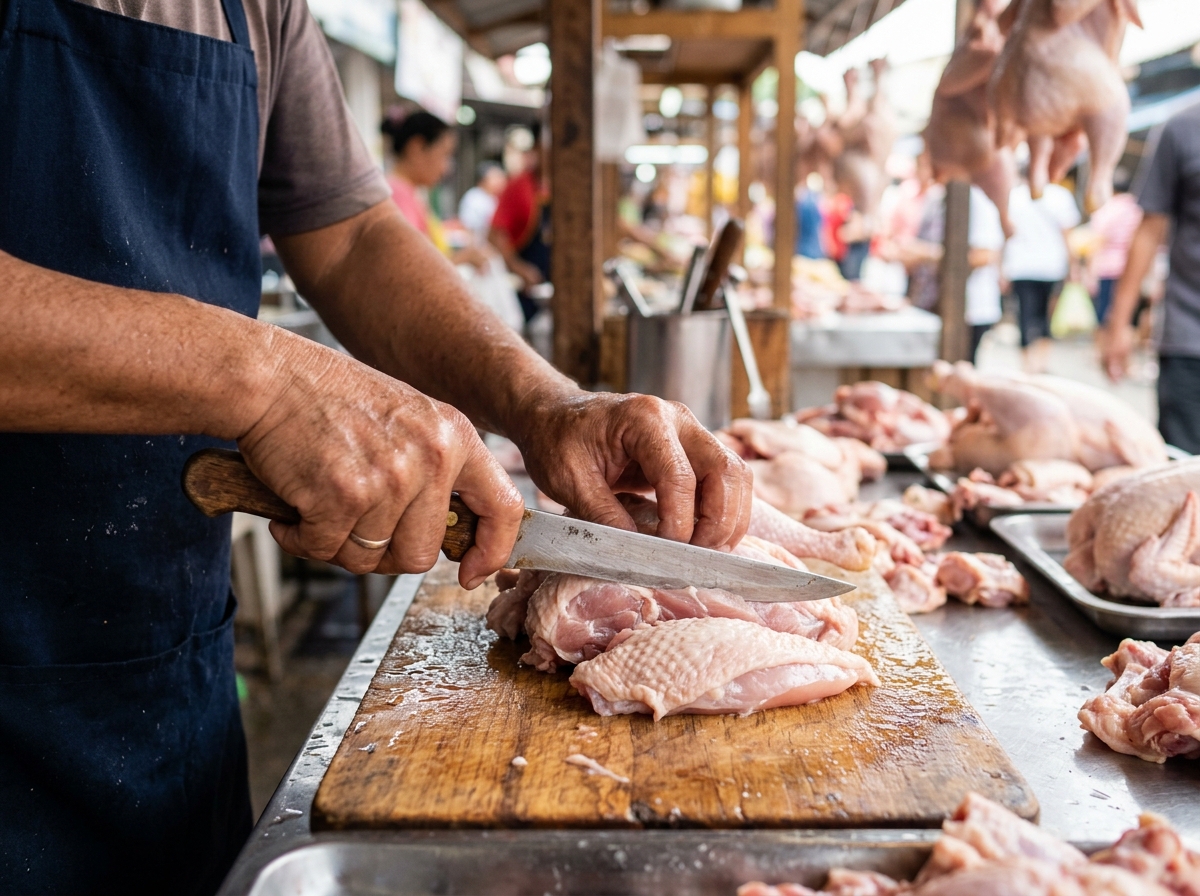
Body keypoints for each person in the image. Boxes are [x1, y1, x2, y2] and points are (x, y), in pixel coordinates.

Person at [0, 2, 753, 893]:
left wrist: (547, 405)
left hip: (156, 659)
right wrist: (267, 381)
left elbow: (354, 235)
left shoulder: (260, 9)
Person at [1103, 101, 1200, 453]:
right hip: (1190, 338)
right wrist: (1120, 324)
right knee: (1185, 469)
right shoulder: (1183, 128)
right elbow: (1148, 230)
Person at [382, 110, 488, 271]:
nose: (447, 168)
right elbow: (410, 270)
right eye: (445, 155)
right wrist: (464, 257)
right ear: (416, 148)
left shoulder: (406, 192)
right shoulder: (398, 194)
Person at [1002, 171, 1082, 371]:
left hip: (1021, 265)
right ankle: (1042, 362)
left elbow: (1005, 232)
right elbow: (1068, 236)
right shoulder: (1060, 196)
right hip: (1051, 266)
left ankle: (1027, 364)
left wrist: (1001, 267)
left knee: (1025, 315)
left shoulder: (1013, 197)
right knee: (1046, 316)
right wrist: (1074, 266)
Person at [490, 126, 551, 322]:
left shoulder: (548, 188)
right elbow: (495, 235)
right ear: (537, 148)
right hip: (520, 293)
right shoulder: (520, 186)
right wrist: (518, 267)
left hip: (544, 293)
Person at [1086, 187, 1142, 325]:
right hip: (1132, 269)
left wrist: (1090, 273)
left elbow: (1096, 242)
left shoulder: (1107, 209)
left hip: (1107, 268)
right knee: (1128, 316)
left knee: (1104, 315)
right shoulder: (1138, 208)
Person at [458, 161, 507, 247]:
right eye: (495, 177)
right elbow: (469, 229)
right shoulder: (474, 197)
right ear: (482, 180)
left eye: (500, 177)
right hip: (478, 246)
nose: (500, 181)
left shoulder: (496, 198)